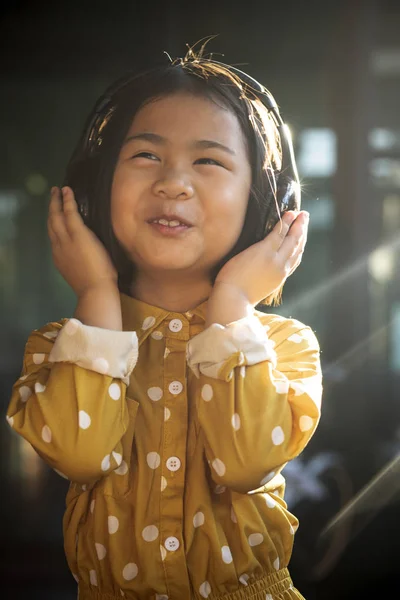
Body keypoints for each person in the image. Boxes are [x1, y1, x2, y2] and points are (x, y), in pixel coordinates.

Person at [6, 46, 322, 600]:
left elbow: (244, 462)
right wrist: (97, 294)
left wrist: (231, 301)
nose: (174, 182)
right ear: (95, 189)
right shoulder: (61, 346)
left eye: (209, 161)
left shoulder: (282, 345)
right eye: (146, 155)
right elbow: (80, 455)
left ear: (263, 203)